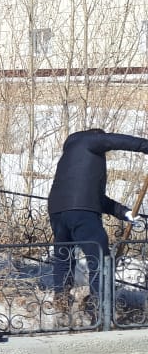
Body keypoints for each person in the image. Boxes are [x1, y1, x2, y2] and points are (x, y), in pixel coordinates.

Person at [47, 128, 148, 308]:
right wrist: (145, 146)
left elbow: (95, 198)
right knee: (99, 257)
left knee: (64, 255)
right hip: (82, 212)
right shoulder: (90, 141)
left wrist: (124, 212)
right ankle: (100, 307)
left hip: (57, 210)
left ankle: (61, 300)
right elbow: (115, 140)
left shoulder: (71, 159)